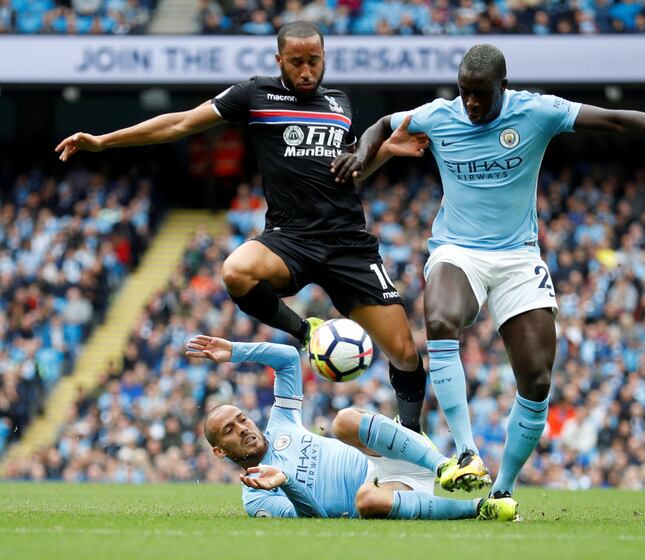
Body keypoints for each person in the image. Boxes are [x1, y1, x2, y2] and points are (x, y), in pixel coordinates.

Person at [332, 43, 645, 507]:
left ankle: (502, 491)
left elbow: (614, 119)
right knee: (441, 318)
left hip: (517, 258)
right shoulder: (440, 114)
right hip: (458, 250)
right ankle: (467, 452)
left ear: (502, 88)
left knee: (536, 381)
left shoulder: (537, 111)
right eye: (464, 93)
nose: (470, 104)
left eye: (480, 95)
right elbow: (384, 124)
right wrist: (359, 152)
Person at [54, 22, 435, 439]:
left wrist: (382, 152)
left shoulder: (339, 103)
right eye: (296, 62)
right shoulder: (255, 94)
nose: (306, 71)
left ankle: (412, 439)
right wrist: (104, 141)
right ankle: (304, 330)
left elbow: (346, 175)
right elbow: (181, 123)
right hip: (289, 238)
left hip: (347, 244)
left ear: (324, 58)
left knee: (403, 351)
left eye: (314, 61)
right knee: (236, 269)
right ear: (279, 61)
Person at [186, 334, 517, 521]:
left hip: (399, 455)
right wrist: (286, 483)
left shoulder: (281, 422)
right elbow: (313, 518)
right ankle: (480, 508)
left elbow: (287, 358)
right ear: (219, 451)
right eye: (229, 430)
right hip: (391, 494)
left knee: (342, 421)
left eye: (241, 418)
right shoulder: (256, 500)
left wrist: (236, 352)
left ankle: (446, 467)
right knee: (365, 500)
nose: (242, 428)